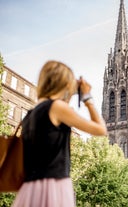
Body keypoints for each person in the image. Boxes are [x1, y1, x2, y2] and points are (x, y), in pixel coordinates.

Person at [12, 60, 108, 207]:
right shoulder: (57, 108)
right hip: (53, 187)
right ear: (64, 83)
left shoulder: (32, 113)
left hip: (29, 188)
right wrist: (87, 97)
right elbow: (101, 129)